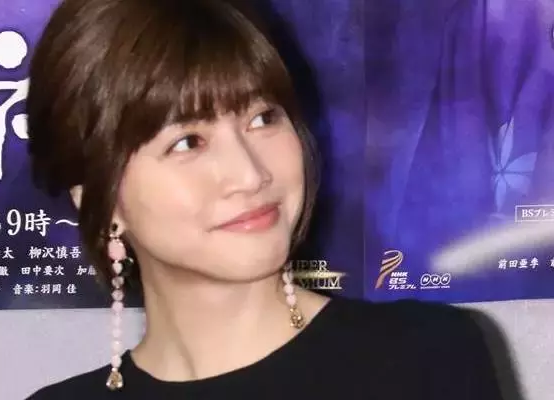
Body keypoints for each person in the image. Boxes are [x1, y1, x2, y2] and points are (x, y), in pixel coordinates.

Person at [25, 0, 505, 398]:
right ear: (101, 199)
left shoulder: (425, 361)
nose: (251, 174)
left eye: (262, 119)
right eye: (188, 142)